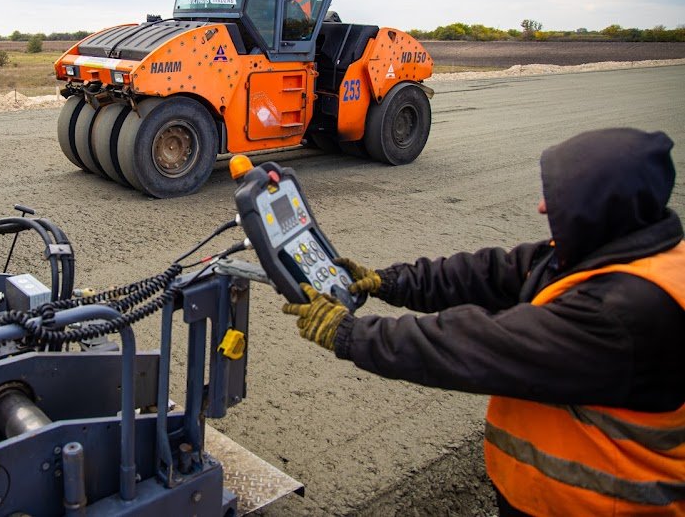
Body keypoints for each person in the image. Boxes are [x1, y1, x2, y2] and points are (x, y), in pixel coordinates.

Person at [282, 127, 685, 516]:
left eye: (560, 201)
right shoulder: (619, 248)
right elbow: (491, 272)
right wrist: (391, 281)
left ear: (601, 209)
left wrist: (349, 334)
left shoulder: (623, 312)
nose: (543, 208)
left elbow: (475, 346)